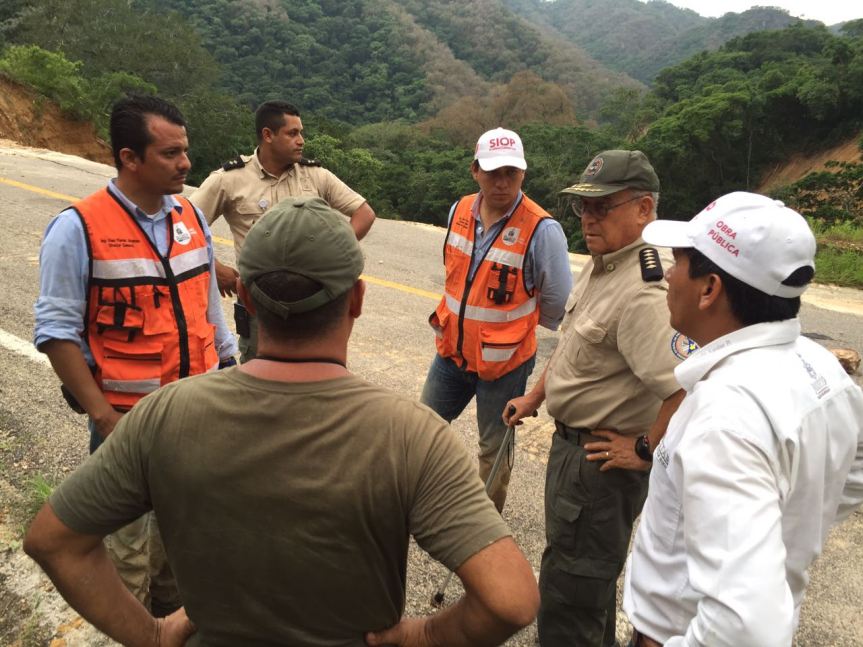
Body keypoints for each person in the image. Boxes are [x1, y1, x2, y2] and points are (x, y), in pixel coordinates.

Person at [24, 197, 540, 647]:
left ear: (245, 298)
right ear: (357, 300)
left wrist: (151, 635)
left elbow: (54, 541)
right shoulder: (412, 436)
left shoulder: (165, 414)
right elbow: (510, 602)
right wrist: (424, 633)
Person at [622, 191, 863, 647]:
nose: (668, 277)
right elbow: (855, 465)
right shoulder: (820, 365)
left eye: (679, 264)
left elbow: (745, 629)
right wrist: (794, 524)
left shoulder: (725, 415)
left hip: (675, 633)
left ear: (710, 289)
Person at [32, 94, 238, 617]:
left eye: (185, 150)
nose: (186, 164)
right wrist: (103, 416)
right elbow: (57, 332)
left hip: (196, 416)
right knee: (126, 555)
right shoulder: (78, 228)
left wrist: (232, 369)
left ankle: (169, 625)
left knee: (182, 545)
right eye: (170, 154)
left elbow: (208, 302)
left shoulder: (190, 215)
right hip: (126, 425)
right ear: (129, 158)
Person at [505, 150, 688, 647]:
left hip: (598, 465)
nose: (588, 217)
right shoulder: (606, 262)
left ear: (644, 209)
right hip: (573, 453)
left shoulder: (645, 289)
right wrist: (535, 397)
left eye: (603, 206)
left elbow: (685, 388)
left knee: (572, 591)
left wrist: (645, 449)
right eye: (583, 208)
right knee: (576, 578)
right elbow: (573, 347)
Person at [421, 127, 572, 512]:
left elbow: (556, 303)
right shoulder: (459, 211)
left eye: (512, 173)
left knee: (493, 449)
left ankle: (484, 524)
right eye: (493, 173)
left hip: (504, 364)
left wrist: (510, 333)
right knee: (421, 428)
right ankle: (414, 500)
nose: (503, 183)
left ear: (523, 173)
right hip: (451, 355)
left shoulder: (542, 229)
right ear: (475, 171)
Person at [189, 100, 376, 361]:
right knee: (260, 372)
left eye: (301, 133)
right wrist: (214, 267)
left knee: (316, 368)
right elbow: (184, 225)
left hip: (314, 299)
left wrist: (333, 250)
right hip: (258, 301)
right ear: (268, 135)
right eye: (292, 133)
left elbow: (364, 213)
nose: (301, 140)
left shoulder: (315, 175)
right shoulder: (230, 179)